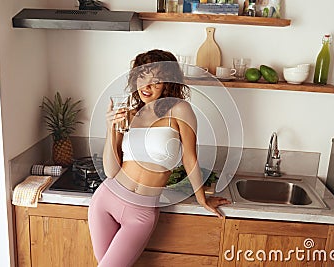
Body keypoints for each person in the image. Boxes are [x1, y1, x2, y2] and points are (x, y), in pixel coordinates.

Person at [88, 49, 230, 267]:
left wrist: (201, 198)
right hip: (106, 200)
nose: (147, 86)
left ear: (167, 84)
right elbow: (110, 171)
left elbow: (190, 158)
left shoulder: (179, 110)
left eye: (156, 81)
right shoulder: (129, 114)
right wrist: (110, 129)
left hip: (141, 212)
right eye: (142, 77)